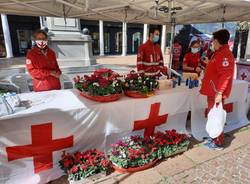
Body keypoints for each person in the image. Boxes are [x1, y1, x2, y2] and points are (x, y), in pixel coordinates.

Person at [200, 29, 235, 150]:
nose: (211, 43)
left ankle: (218, 142)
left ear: (216, 40)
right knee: (212, 115)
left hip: (216, 92)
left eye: (212, 41)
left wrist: (220, 92)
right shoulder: (219, 53)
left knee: (216, 116)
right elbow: (217, 69)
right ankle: (214, 137)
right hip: (212, 91)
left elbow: (226, 75)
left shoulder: (224, 54)